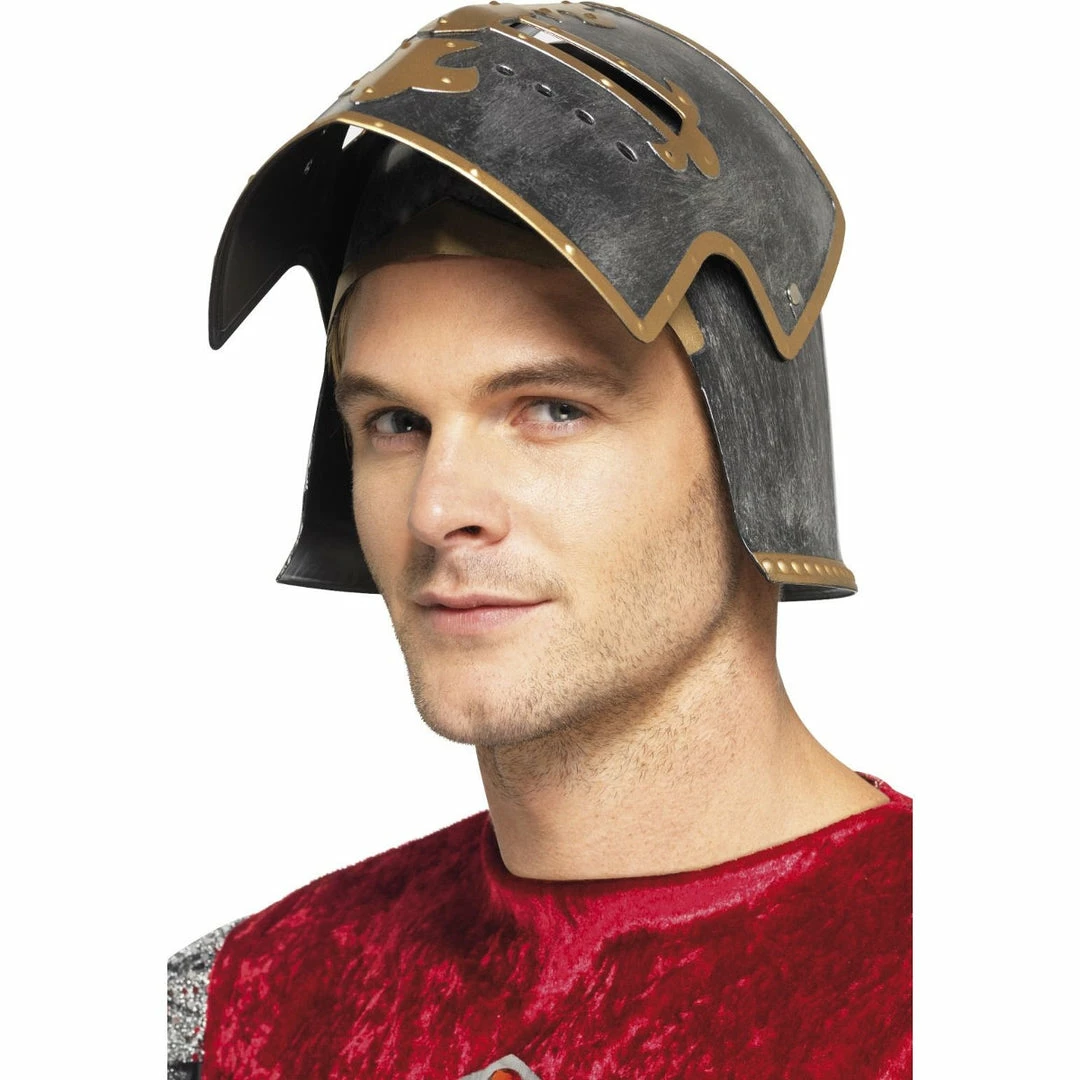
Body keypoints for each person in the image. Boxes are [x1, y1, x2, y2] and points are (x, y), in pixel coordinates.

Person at [168, 3, 912, 1077]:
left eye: (553, 410)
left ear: (752, 454)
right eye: (397, 422)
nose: (437, 510)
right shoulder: (253, 1000)